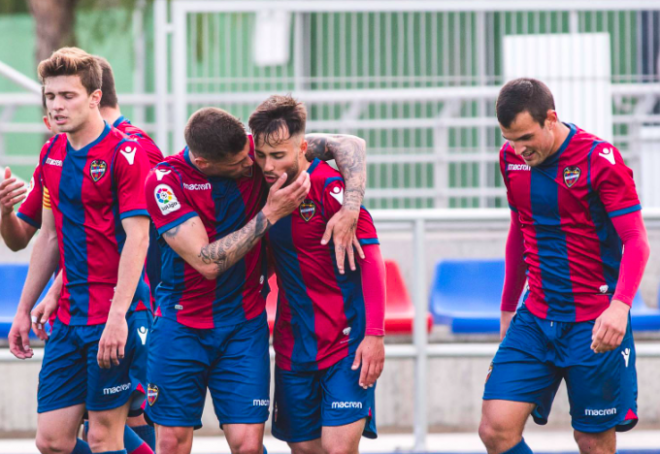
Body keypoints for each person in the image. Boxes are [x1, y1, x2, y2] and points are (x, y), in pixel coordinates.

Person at [143, 106, 367, 454]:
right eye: (241, 164)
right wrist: (270, 214)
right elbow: (207, 262)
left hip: (242, 328)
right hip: (181, 326)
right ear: (204, 163)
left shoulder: (255, 150)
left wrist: (351, 205)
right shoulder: (165, 181)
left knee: (248, 446)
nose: (256, 166)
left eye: (253, 157)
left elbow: (350, 144)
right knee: (171, 443)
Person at [479, 78, 650, 454]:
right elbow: (519, 230)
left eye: (526, 137)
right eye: (510, 139)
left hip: (593, 322)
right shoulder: (509, 159)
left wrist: (620, 306)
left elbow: (636, 239)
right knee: (495, 429)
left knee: (592, 442)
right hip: (536, 317)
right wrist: (508, 308)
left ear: (550, 119)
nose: (519, 149)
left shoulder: (598, 160)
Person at [12, 47, 152, 454]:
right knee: (52, 441)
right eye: (50, 96)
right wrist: (24, 308)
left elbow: (138, 239)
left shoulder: (127, 153)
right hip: (70, 318)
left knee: (104, 436)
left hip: (118, 314)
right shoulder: (51, 153)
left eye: (67, 95)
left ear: (94, 97)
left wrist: (117, 317)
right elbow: (47, 238)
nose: (56, 105)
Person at [248, 95, 385, 454]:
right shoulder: (260, 185)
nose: (268, 164)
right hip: (294, 347)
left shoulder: (331, 187)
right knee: (305, 449)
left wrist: (374, 336)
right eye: (262, 155)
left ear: (303, 148)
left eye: (279, 155)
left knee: (338, 448)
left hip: (345, 345)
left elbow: (372, 263)